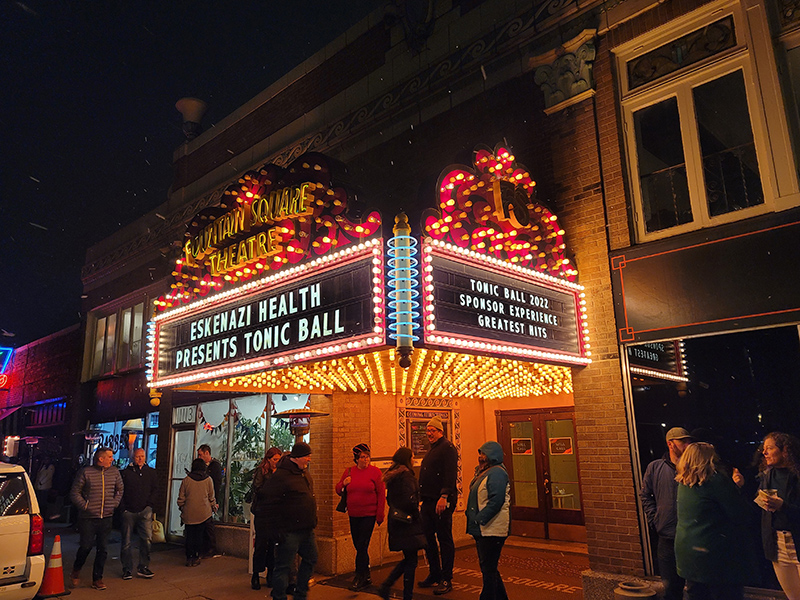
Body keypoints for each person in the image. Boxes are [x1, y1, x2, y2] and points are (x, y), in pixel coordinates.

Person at [674, 442, 754, 600]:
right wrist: (737, 487)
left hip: (689, 552)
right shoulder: (716, 481)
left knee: (696, 593)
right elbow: (741, 515)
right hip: (714, 556)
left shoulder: (684, 482)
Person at [639, 426, 692, 600]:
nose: (687, 444)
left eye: (688, 440)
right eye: (682, 441)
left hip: (691, 537)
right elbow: (645, 494)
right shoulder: (656, 467)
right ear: (670, 444)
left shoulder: (694, 467)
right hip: (667, 537)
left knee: (695, 587)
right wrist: (655, 518)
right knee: (671, 588)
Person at [262, 442, 318, 600]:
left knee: (311, 557)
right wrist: (274, 529)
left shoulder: (303, 474)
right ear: (297, 458)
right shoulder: (281, 476)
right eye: (307, 456)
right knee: (284, 566)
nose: (309, 460)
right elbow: (266, 502)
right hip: (288, 531)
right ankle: (279, 596)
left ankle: (300, 594)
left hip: (306, 529)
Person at [69, 447, 124, 591]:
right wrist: (86, 506)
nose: (112, 459)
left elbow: (120, 489)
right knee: (86, 546)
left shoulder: (114, 472)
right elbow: (75, 493)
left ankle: (98, 578)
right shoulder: (86, 472)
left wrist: (114, 503)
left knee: (103, 548)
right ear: (101, 459)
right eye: (110, 456)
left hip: (106, 516)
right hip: (88, 518)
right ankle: (76, 569)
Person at [335, 443, 386, 591]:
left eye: (367, 456)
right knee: (359, 546)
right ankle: (367, 575)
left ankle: (359, 576)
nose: (365, 459)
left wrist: (380, 514)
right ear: (356, 459)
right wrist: (343, 483)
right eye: (362, 457)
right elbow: (338, 490)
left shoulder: (375, 473)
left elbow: (381, 494)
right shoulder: (349, 472)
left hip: (368, 514)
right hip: (354, 514)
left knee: (362, 545)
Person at [377, 447, 426, 600]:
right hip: (408, 523)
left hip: (397, 521)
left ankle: (388, 586)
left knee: (409, 558)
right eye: (412, 457)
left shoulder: (393, 476)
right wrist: (417, 513)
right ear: (407, 459)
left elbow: (391, 499)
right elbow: (410, 500)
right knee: (411, 561)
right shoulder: (406, 476)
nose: (413, 459)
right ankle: (405, 594)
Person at [418, 415, 459, 595]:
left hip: (440, 502)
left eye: (432, 430)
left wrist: (444, 496)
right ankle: (434, 573)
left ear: (440, 431)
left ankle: (446, 578)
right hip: (427, 502)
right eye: (427, 431)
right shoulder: (432, 449)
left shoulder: (447, 448)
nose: (429, 434)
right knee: (428, 540)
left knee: (444, 540)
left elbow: (450, 474)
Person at [757, 432, 800, 599]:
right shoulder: (767, 476)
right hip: (778, 545)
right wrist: (738, 486)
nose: (764, 452)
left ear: (785, 451)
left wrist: (784, 506)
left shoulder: (796, 476)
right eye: (763, 449)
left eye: (769, 448)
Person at [466, 442, 510, 600]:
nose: (480, 457)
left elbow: (496, 501)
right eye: (479, 454)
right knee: (489, 567)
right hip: (485, 528)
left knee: (488, 569)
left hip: (492, 528)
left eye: (484, 454)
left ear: (493, 456)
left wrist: (479, 519)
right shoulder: (484, 472)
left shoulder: (497, 473)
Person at [120, 447, 158, 580]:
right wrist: (123, 508)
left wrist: (150, 505)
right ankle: (127, 568)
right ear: (133, 457)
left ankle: (143, 566)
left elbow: (155, 489)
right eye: (137, 456)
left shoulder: (151, 473)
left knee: (147, 540)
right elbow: (120, 491)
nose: (140, 458)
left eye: (142, 456)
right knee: (126, 542)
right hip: (129, 511)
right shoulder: (125, 473)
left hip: (145, 510)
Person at [251, 447, 283, 590]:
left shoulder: (280, 473)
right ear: (268, 459)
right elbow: (258, 489)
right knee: (261, 544)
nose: (276, 462)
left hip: (275, 513)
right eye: (274, 459)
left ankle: (271, 573)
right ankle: (256, 574)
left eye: (278, 460)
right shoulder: (261, 471)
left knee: (272, 545)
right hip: (262, 513)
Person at [178, 458, 216, 567]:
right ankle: (196, 556)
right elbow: (211, 497)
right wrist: (213, 507)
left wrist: (182, 507)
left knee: (190, 536)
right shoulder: (208, 480)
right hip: (203, 513)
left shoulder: (186, 480)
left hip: (189, 513)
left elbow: (181, 498)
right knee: (199, 536)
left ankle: (189, 557)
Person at [197, 444, 223, 558]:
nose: (199, 457)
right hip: (202, 498)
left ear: (207, 453)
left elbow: (217, 484)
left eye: (200, 455)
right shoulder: (202, 466)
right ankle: (204, 546)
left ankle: (211, 547)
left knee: (208, 524)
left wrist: (215, 499)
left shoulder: (215, 466)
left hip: (210, 498)